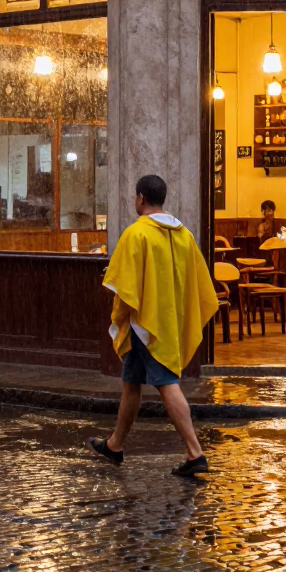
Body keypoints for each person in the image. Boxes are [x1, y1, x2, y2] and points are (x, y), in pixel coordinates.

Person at [89, 175, 218, 477]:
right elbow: (196, 280)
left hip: (144, 323)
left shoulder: (136, 234)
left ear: (141, 198)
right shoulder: (183, 233)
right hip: (168, 318)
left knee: (166, 382)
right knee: (131, 382)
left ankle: (195, 452)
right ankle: (115, 445)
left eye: (136, 197)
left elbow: (117, 285)